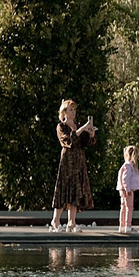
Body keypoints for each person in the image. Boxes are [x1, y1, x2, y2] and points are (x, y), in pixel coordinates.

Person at [51, 99, 96, 231]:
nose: (73, 112)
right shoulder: (61, 127)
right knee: (63, 190)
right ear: (64, 112)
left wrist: (91, 134)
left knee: (76, 191)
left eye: (74, 110)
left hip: (79, 162)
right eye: (70, 110)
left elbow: (85, 143)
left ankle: (72, 222)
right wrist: (82, 129)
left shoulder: (77, 126)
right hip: (67, 162)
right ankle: (55, 220)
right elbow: (68, 141)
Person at [116, 145, 139, 234]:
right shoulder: (129, 166)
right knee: (129, 208)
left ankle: (122, 226)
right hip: (127, 190)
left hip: (122, 189)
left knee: (123, 207)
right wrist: (127, 189)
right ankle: (128, 226)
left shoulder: (127, 165)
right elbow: (125, 178)